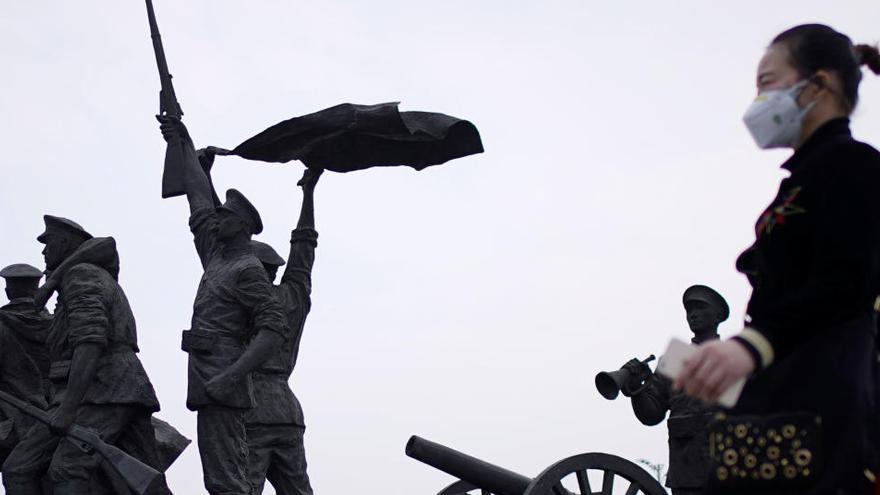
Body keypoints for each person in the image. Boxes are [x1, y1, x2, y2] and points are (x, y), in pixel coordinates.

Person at [674, 25, 880, 494]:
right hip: (776, 405)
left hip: (822, 406)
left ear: (819, 84)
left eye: (768, 82)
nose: (759, 99)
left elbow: (848, 282)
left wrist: (750, 345)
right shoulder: (802, 179)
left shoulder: (855, 166)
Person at [158, 115, 289, 495]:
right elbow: (198, 198)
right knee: (218, 475)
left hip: (223, 383)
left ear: (243, 227)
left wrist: (231, 375)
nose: (219, 218)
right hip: (206, 378)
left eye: (226, 217)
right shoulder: (216, 255)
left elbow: (273, 328)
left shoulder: (248, 269)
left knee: (227, 478)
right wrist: (182, 137)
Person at [1, 216, 161, 495]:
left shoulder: (82, 275)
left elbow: (90, 342)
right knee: (20, 466)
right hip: (94, 391)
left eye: (48, 243)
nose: (43, 252)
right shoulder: (78, 277)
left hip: (105, 390)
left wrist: (68, 408)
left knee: (66, 468)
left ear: (64, 244)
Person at [246, 167, 321, 495]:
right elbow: (304, 251)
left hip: (251, 407)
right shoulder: (293, 297)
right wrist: (308, 194)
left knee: (242, 487)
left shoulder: (243, 302)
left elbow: (216, 250)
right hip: (287, 413)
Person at [626, 285, 728, 495]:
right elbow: (652, 414)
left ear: (717, 316)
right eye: (689, 310)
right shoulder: (673, 360)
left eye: (700, 308)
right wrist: (636, 387)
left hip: (728, 469)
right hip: (686, 472)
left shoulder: (733, 360)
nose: (693, 314)